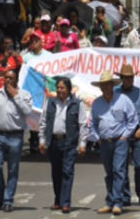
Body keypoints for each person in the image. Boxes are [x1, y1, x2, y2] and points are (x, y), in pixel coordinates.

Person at [91, 71, 138, 215]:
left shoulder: (123, 100)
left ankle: (117, 202)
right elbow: (93, 123)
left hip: (119, 140)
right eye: (103, 85)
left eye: (108, 84)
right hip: (104, 141)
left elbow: (133, 119)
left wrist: (125, 136)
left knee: (118, 170)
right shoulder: (97, 103)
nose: (105, 87)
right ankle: (110, 201)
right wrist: (97, 136)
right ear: (100, 87)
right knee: (109, 172)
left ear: (112, 85)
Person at [39, 77, 88, 214]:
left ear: (69, 89)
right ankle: (58, 199)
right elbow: (43, 122)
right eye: (58, 87)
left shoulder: (77, 104)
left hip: (69, 143)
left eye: (62, 88)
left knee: (67, 172)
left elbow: (83, 125)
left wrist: (82, 143)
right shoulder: (50, 103)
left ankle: (66, 202)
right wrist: (42, 141)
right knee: (56, 172)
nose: (60, 90)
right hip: (53, 142)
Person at [0, 70, 33, 212]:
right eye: (6, 78)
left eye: (11, 78)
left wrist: (15, 96)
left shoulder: (24, 95)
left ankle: (8, 200)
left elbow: (27, 111)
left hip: (15, 136)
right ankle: (1, 194)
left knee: (13, 169)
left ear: (16, 80)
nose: (8, 80)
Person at [114, 64, 140, 207]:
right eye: (126, 78)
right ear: (121, 78)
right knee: (121, 165)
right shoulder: (116, 93)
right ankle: (125, 196)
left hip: (137, 132)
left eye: (131, 78)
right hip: (121, 132)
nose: (129, 80)